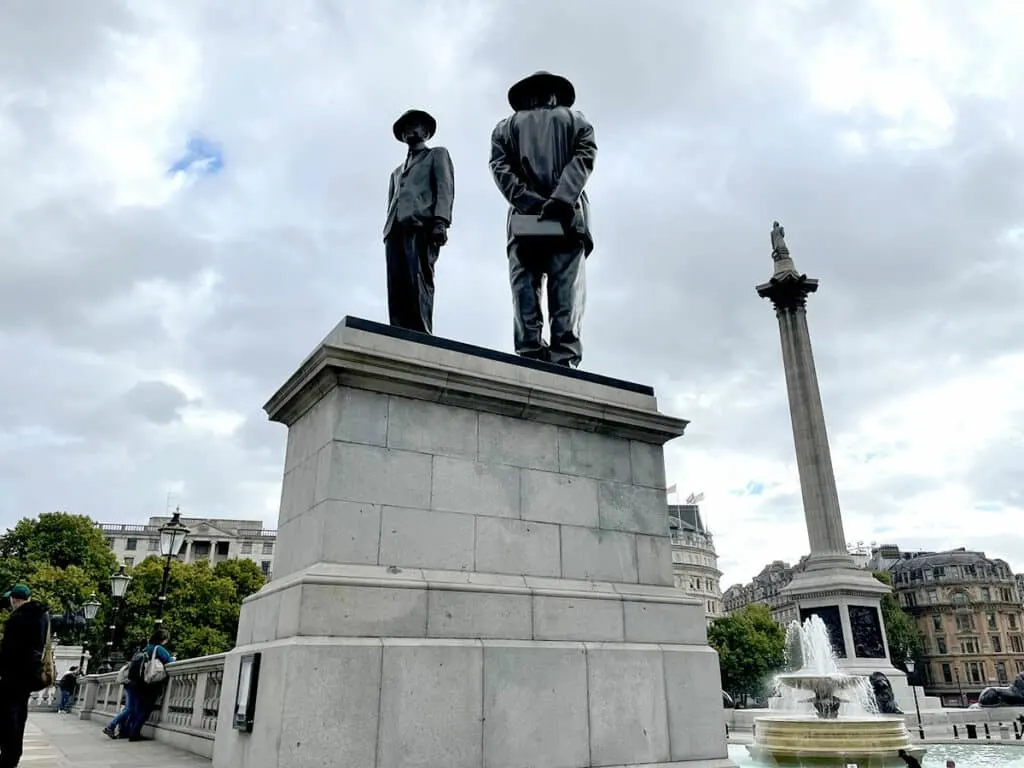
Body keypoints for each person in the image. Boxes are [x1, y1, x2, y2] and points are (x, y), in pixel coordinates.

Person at [489, 70, 597, 368]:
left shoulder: (505, 128)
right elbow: (584, 160)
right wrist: (560, 200)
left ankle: (530, 352)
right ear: (554, 95)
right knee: (567, 292)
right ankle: (564, 357)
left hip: (523, 222)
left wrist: (530, 203)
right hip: (568, 218)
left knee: (524, 290)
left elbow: (500, 170)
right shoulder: (577, 121)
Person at [382, 108, 455, 334]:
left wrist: (441, 221)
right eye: (406, 127)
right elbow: (391, 201)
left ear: (426, 131)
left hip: (421, 226)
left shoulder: (437, 155)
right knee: (396, 284)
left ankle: (420, 332)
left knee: (419, 279)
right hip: (394, 229)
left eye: (416, 125)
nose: (410, 130)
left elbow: (445, 189)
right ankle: (399, 330)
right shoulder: (395, 172)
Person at [0, 584, 49, 768]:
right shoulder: (42, 616)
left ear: (13, 599)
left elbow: (8, 650)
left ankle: (8, 758)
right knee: (19, 715)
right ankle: (13, 756)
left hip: (13, 675)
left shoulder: (18, 618)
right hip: (30, 675)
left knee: (8, 717)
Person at [124, 629, 173, 741]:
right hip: (150, 683)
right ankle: (134, 733)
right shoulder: (158, 649)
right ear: (163, 639)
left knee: (137, 708)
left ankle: (130, 731)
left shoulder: (146, 648)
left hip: (138, 681)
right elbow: (169, 661)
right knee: (145, 710)